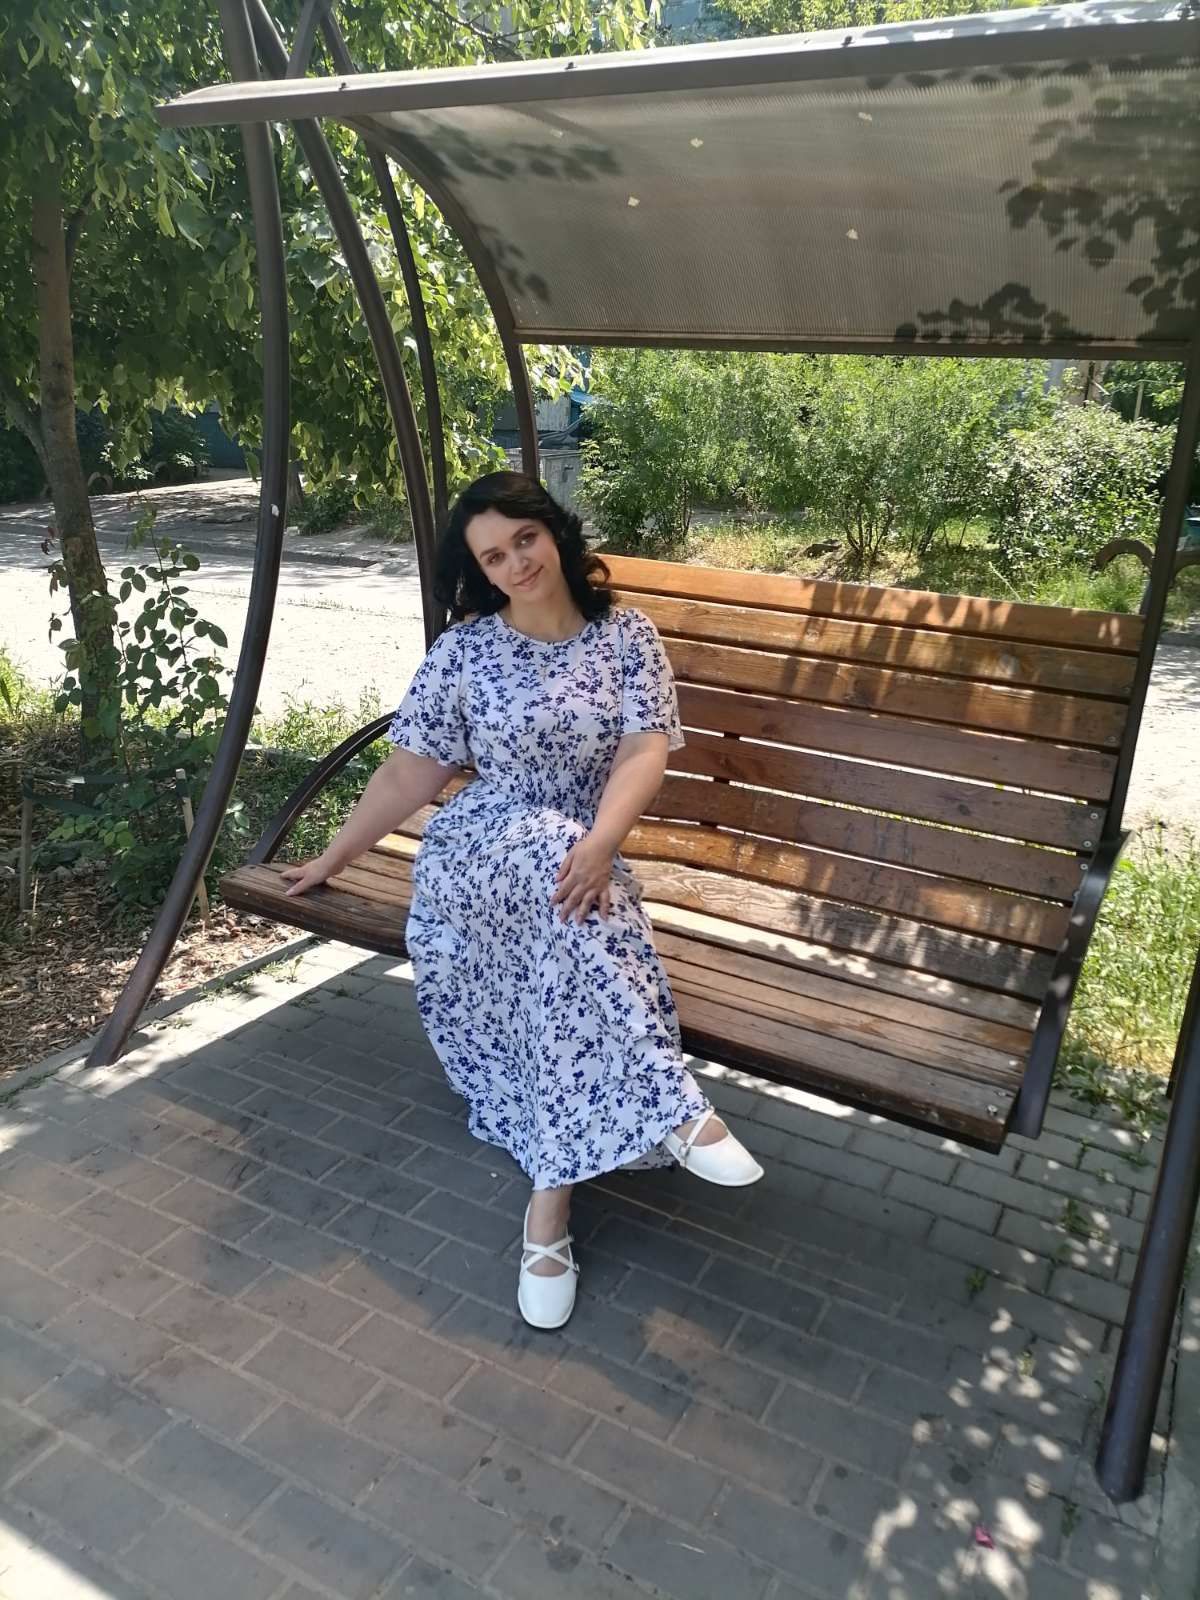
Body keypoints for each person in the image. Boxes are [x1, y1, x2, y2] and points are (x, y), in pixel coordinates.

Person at [281, 471, 764, 1330]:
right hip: (481, 853)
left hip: (581, 860)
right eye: (492, 557)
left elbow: (645, 751)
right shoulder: (466, 652)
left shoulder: (627, 638)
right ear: (480, 572)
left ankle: (550, 1211)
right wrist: (334, 855)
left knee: (567, 936)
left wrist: (602, 842)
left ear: (554, 532)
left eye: (523, 540)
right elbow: (407, 775)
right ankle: (672, 1106)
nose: (514, 564)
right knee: (563, 877)